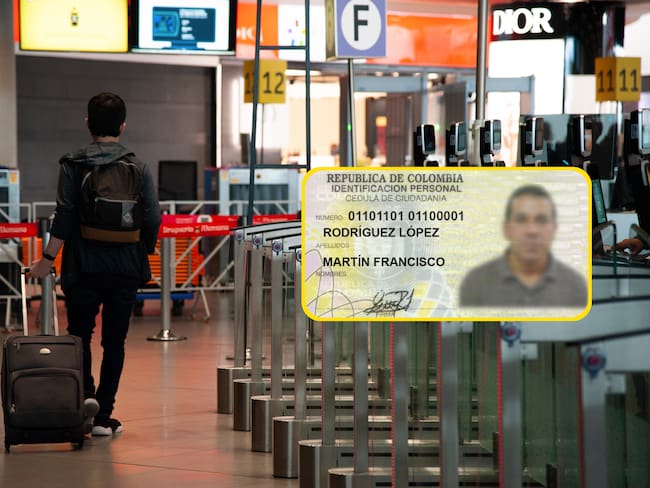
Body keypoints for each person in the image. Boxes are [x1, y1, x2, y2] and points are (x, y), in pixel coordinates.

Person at [28, 92, 161, 436]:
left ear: (87, 123)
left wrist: (46, 259)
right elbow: (153, 216)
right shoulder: (138, 167)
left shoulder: (73, 164)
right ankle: (105, 415)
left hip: (83, 265)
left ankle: (85, 398)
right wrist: (143, 248)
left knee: (80, 335)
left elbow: (65, 216)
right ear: (122, 125)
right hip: (125, 267)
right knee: (114, 342)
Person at [459, 184, 588, 308]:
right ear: (506, 229)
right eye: (521, 220)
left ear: (554, 229)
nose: (531, 231)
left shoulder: (575, 285)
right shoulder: (475, 283)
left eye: (541, 220)